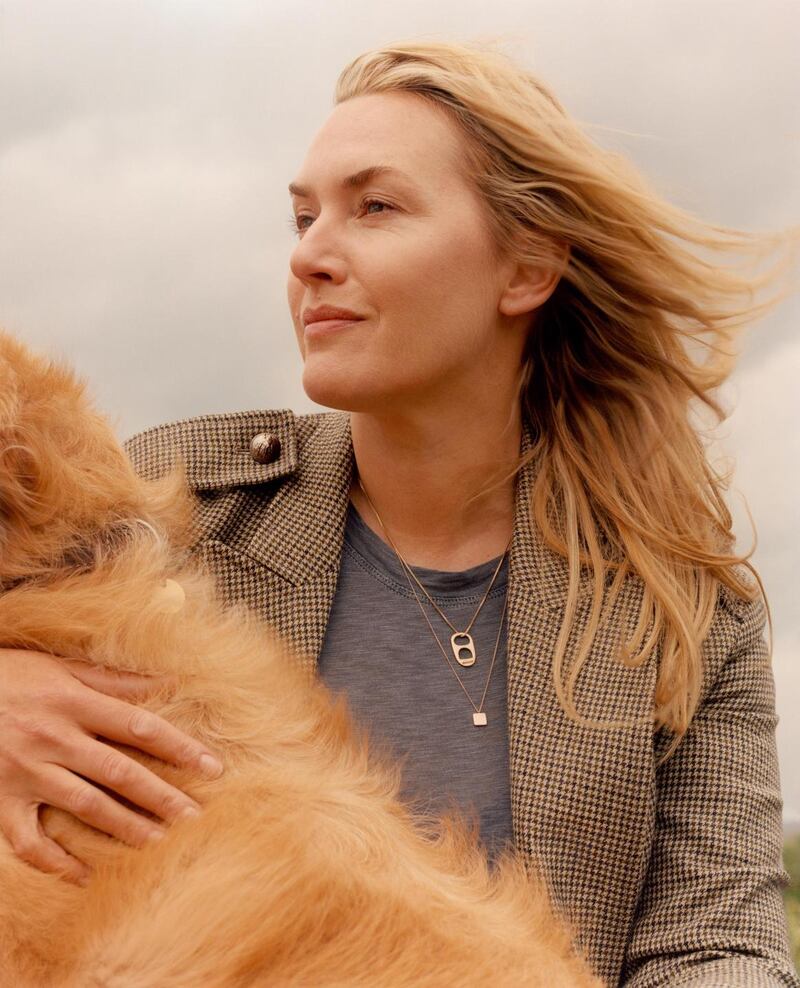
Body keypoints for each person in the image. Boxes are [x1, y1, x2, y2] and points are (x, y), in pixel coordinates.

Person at [0, 38, 797, 987]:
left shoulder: (690, 609)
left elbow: (718, 946)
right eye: (301, 217)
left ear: (525, 270)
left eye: (374, 207)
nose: (309, 256)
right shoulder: (170, 503)